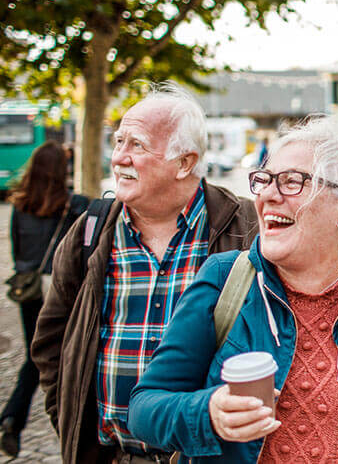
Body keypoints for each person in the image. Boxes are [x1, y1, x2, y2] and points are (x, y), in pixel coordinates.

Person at [128, 119, 338, 463]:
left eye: (292, 181)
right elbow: (144, 408)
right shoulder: (224, 281)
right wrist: (207, 413)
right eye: (264, 180)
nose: (267, 195)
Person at [31, 82, 258, 464]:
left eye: (136, 145)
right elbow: (52, 341)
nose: (119, 157)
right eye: (118, 142)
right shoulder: (90, 230)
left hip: (205, 457)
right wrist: (70, 422)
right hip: (111, 457)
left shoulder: (246, 226)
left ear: (185, 162)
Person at [0, 142, 89, 458]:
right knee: (52, 356)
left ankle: (13, 417)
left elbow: (17, 251)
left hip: (30, 290)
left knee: (35, 353)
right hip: (59, 290)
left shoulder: (20, 205)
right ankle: (49, 421)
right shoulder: (71, 204)